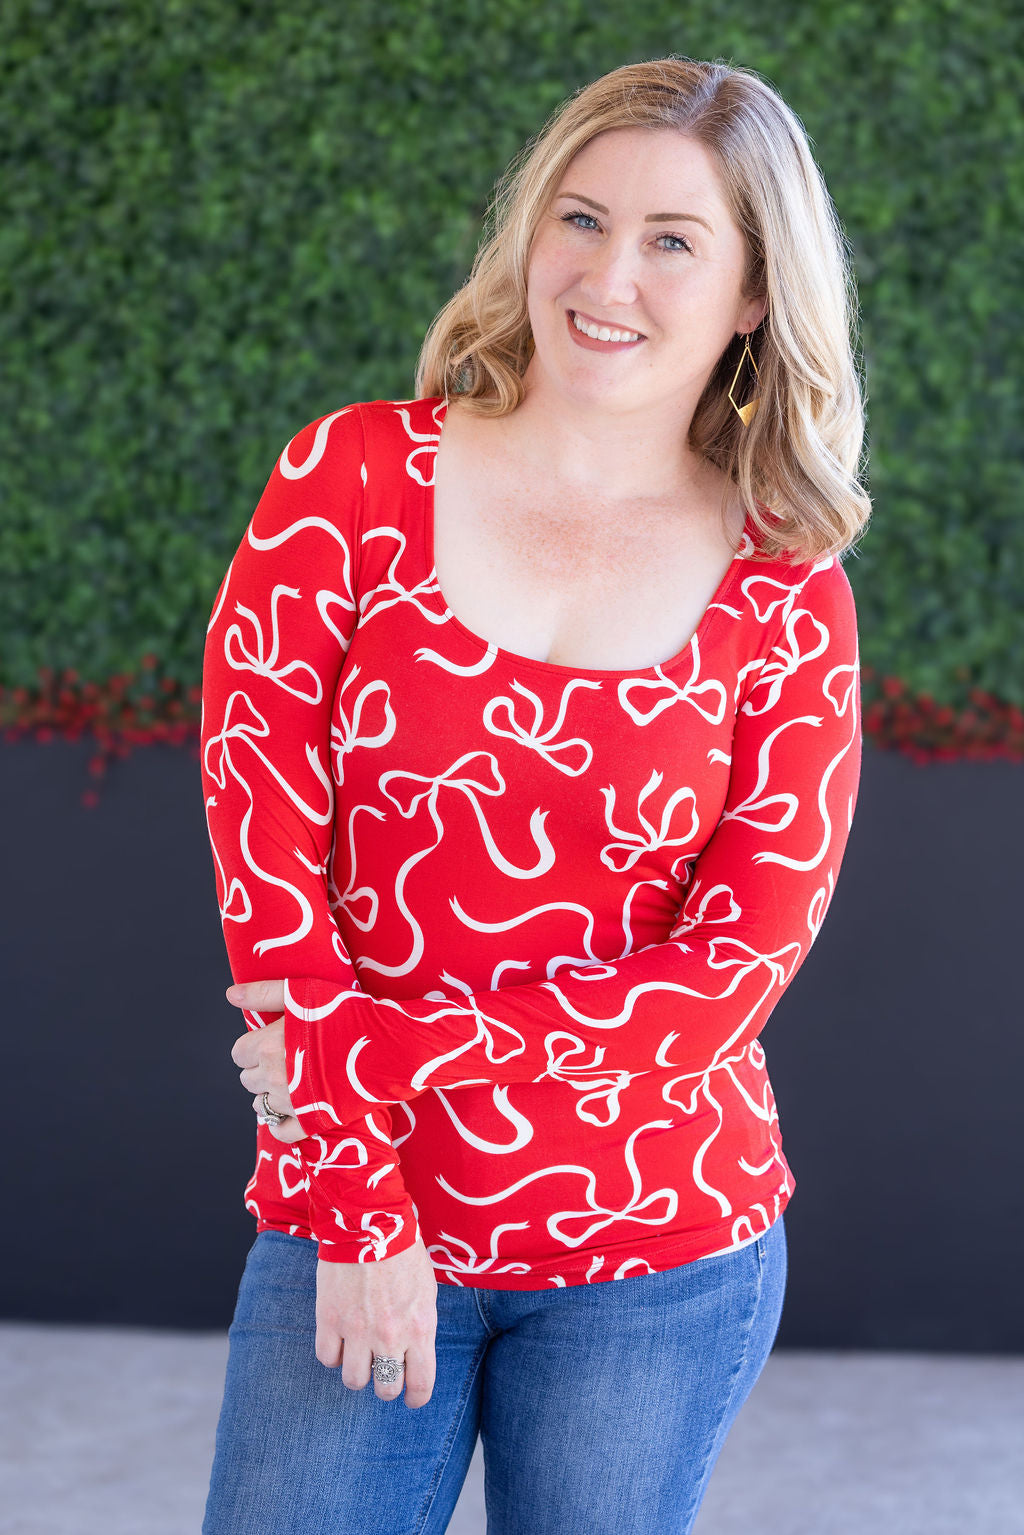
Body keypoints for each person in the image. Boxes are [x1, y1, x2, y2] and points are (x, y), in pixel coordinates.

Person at [198, 54, 869, 1535]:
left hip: (664, 1247)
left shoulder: (783, 579)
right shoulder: (348, 480)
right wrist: (362, 1196)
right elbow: (265, 843)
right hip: (353, 1212)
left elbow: (730, 969)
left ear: (755, 294)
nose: (606, 273)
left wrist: (367, 1056)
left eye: (673, 239)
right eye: (580, 217)